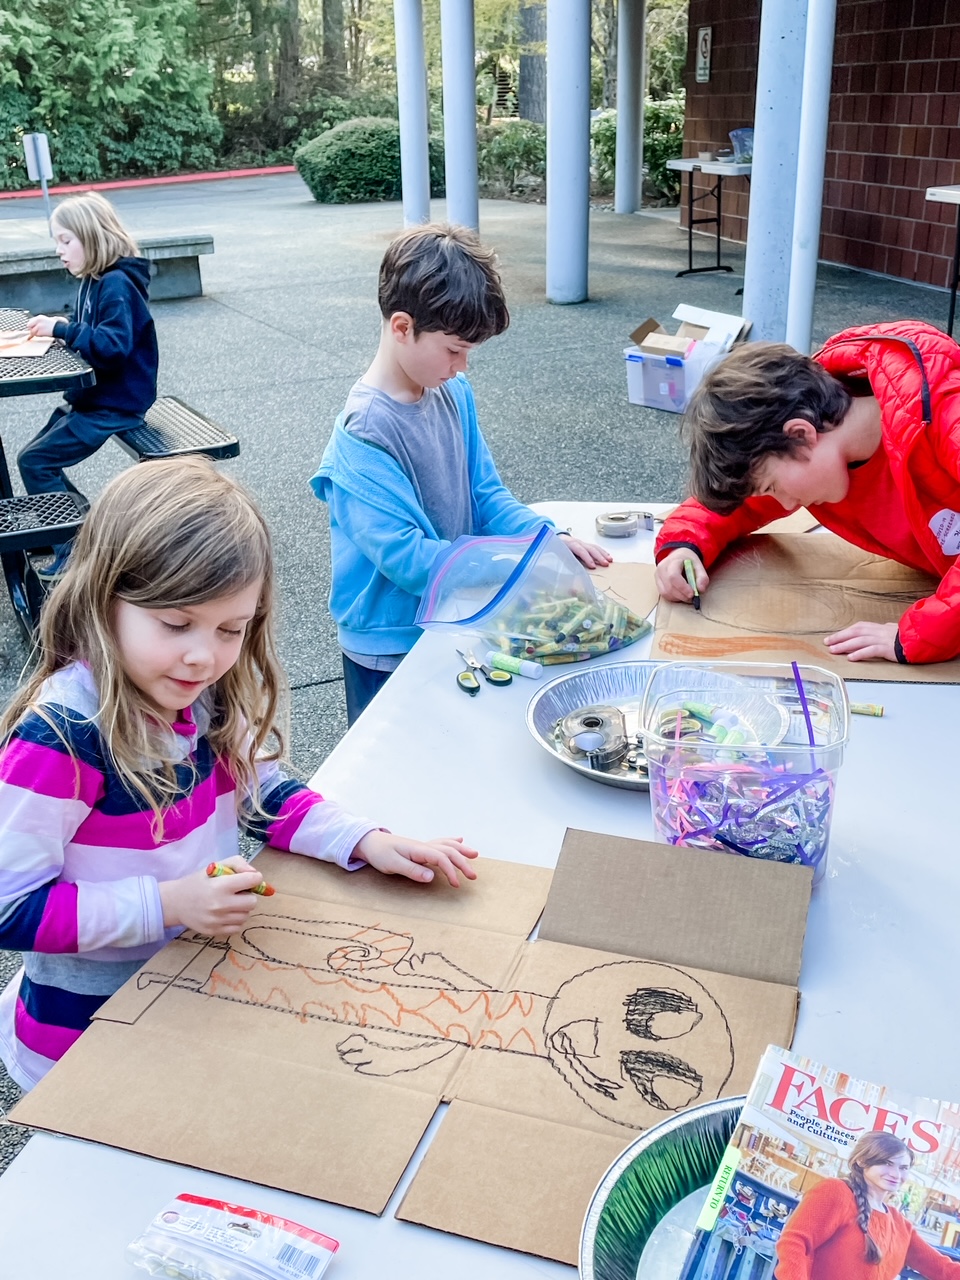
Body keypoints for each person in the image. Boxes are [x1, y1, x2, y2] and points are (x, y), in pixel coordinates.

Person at [0, 457, 478, 1091]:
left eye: (232, 629)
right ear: (102, 600)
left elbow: (264, 793)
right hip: (85, 1041)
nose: (205, 655)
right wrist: (169, 904)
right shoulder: (59, 739)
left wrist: (365, 840)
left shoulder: (205, 694)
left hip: (192, 997)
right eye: (175, 624)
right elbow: (11, 908)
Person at [311, 222, 611, 724]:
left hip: (454, 615)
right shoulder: (362, 435)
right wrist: (520, 567)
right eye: (454, 349)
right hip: (388, 643)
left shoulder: (452, 393)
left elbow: (486, 494)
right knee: (391, 772)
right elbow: (408, 560)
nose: (463, 365)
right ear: (402, 327)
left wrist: (544, 540)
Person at [653, 321, 960, 665]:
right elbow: (740, 503)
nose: (782, 503)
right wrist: (683, 544)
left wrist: (921, 634)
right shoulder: (815, 453)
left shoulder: (946, 415)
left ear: (801, 434)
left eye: (772, 486)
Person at [22, 191, 159, 580]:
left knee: (37, 461)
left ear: (93, 237)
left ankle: (77, 544)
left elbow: (112, 347)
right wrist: (62, 329)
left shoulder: (116, 284)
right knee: (32, 456)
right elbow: (91, 332)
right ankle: (71, 529)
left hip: (115, 404)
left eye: (65, 240)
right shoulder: (95, 280)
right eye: (56, 241)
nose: (59, 250)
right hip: (94, 398)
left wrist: (64, 329)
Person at [775, 1132, 960, 1279]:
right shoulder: (837, 1192)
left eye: (903, 1168)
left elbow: (942, 1268)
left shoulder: (899, 1224)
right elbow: (794, 1243)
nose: (896, 1174)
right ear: (862, 1161)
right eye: (887, 1163)